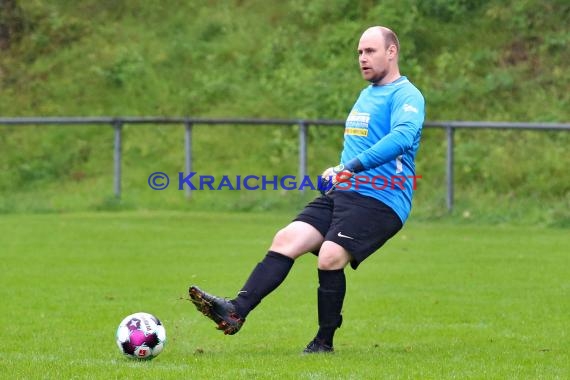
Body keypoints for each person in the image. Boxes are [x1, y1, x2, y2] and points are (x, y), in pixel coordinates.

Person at [188, 25, 425, 353]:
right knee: (286, 239)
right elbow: (360, 144)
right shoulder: (367, 94)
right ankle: (234, 311)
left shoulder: (407, 95)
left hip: (382, 198)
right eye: (359, 52)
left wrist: (348, 168)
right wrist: (338, 169)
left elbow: (401, 138)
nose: (362, 58)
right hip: (346, 191)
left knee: (329, 256)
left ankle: (323, 342)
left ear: (391, 52)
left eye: (370, 51)